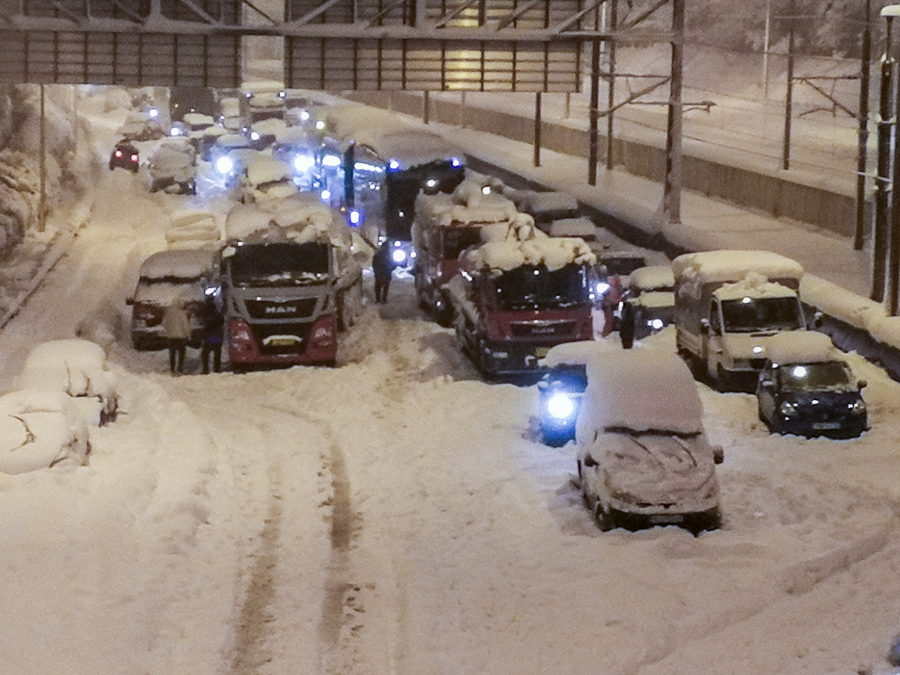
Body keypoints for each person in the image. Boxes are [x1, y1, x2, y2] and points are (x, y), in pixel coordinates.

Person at [161, 300, 193, 374]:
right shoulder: (182, 313)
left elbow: (164, 324)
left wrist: (167, 332)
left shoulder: (168, 314)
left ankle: (172, 369)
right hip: (180, 337)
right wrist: (188, 335)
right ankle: (180, 368)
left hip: (171, 337)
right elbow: (185, 325)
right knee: (181, 353)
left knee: (172, 353)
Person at [200, 296, 225, 374]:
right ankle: (217, 369)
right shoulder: (218, 314)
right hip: (217, 336)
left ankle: (205, 369)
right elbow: (222, 321)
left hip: (209, 336)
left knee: (205, 353)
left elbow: (206, 325)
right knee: (217, 353)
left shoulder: (206, 314)